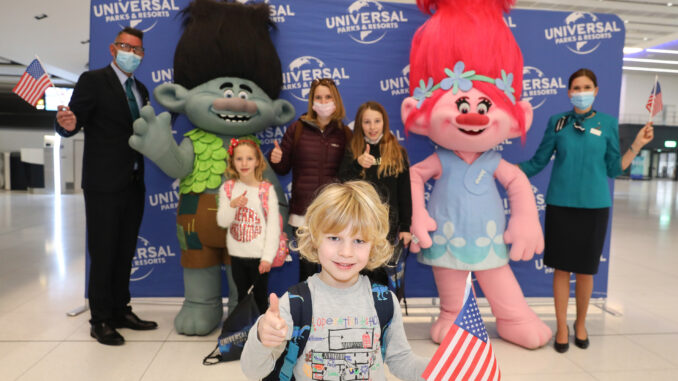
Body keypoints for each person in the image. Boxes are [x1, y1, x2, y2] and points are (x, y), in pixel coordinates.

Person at [519, 68, 654, 353]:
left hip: (594, 207)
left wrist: (638, 145)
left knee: (585, 271)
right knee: (561, 269)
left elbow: (614, 168)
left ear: (596, 90)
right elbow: (537, 163)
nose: (581, 92)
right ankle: (561, 326)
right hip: (561, 205)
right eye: (576, 88)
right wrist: (501, 168)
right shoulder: (558, 123)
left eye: (587, 87)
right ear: (569, 92)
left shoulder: (607, 123)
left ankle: (580, 324)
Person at [240, 181, 429, 381]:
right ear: (314, 238)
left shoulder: (385, 302)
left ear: (373, 246)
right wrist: (262, 336)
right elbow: (253, 371)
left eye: (359, 241)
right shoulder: (295, 303)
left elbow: (402, 361)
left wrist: (441, 368)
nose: (345, 252)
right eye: (334, 238)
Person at [54, 27, 157, 346]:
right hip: (103, 183)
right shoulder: (93, 81)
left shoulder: (141, 89)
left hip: (135, 181)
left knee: (125, 250)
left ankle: (119, 310)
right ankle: (99, 318)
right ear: (113, 50)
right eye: (127, 47)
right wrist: (65, 125)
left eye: (138, 50)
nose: (133, 54)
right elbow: (71, 121)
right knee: (103, 251)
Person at [269, 78, 352, 282]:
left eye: (328, 97)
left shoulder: (345, 133)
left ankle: (330, 310)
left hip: (334, 213)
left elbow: (351, 173)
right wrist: (276, 160)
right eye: (318, 97)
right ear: (311, 101)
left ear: (336, 100)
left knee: (333, 266)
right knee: (307, 269)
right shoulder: (297, 129)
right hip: (303, 213)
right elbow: (283, 168)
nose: (323, 102)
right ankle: (307, 311)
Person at [338, 101, 412, 286]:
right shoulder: (352, 149)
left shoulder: (397, 152)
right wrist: (357, 164)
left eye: (377, 121)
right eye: (367, 122)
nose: (372, 127)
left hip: (387, 224)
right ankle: (356, 310)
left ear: (384, 123)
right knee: (359, 270)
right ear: (359, 124)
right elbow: (341, 183)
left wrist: (405, 227)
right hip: (358, 222)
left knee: (379, 271)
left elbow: (404, 192)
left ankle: (380, 311)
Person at [216, 138, 280, 314]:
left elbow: (273, 228)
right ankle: (244, 334)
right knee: (242, 297)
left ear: (258, 161)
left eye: (249, 158)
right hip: (237, 255)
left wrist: (267, 257)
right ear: (232, 161)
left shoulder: (266, 190)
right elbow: (222, 221)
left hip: (259, 257)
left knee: (260, 297)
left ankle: (261, 334)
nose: (244, 163)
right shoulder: (227, 188)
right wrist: (232, 205)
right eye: (239, 159)